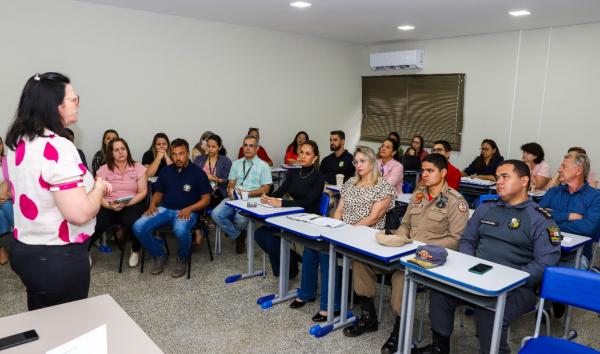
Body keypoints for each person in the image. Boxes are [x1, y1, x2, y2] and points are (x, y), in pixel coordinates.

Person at [415, 160, 561, 354]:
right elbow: (467, 240)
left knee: (489, 312)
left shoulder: (540, 218)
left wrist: (512, 278)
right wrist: (470, 263)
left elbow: (546, 262)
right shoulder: (487, 207)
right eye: (497, 177)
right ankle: (439, 347)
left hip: (517, 285)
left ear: (524, 181)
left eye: (505, 177)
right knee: (440, 293)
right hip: (477, 274)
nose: (498, 181)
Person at [5, 72, 110, 310]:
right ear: (55, 106)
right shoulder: (57, 146)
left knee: (43, 321)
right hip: (56, 256)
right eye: (74, 100)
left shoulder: (18, 142)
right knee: (67, 329)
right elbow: (80, 213)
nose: (78, 104)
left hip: (26, 249)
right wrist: (100, 188)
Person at [346, 154, 469, 353]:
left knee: (402, 276)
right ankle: (368, 316)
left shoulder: (455, 201)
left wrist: (420, 247)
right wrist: (400, 239)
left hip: (428, 258)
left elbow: (456, 239)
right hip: (403, 250)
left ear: (443, 173)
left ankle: (399, 329)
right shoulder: (418, 195)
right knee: (361, 260)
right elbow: (405, 225)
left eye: (430, 171)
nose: (425, 175)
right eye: (424, 170)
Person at [323, 146, 396, 335]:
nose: (358, 165)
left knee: (358, 259)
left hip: (367, 237)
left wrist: (348, 232)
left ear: (373, 162)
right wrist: (336, 228)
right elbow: (339, 210)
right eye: (356, 161)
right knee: (320, 249)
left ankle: (367, 313)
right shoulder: (349, 183)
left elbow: (373, 217)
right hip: (344, 233)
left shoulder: (383, 186)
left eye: (363, 160)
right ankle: (330, 305)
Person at [133, 139, 211, 278]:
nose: (177, 158)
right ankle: (160, 254)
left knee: (180, 230)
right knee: (138, 226)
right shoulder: (166, 171)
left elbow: (206, 199)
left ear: (188, 153)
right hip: (165, 209)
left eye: (181, 154)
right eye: (174, 154)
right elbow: (158, 193)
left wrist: (190, 208)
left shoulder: (198, 173)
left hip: (187, 210)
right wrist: (152, 204)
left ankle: (182, 257)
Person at [255, 140, 324, 280]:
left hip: (308, 217)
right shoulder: (293, 172)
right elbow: (279, 192)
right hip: (291, 215)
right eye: (301, 152)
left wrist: (282, 204)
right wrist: (267, 198)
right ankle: (292, 257)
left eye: (308, 154)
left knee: (271, 239)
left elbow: (308, 203)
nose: (303, 156)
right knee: (260, 234)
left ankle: (286, 271)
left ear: (315, 158)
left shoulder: (318, 177)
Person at [90, 138, 148, 267]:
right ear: (111, 153)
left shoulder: (138, 168)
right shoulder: (103, 169)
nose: (120, 152)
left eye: (123, 148)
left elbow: (143, 192)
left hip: (132, 203)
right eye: (116, 150)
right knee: (97, 223)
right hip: (109, 204)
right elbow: (97, 192)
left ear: (127, 150)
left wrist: (127, 203)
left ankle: (135, 250)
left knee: (133, 223)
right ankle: (85, 252)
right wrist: (108, 206)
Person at [539, 153, 600, 271]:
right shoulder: (553, 192)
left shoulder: (596, 197)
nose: (559, 169)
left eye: (564, 166)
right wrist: (568, 216)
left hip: (575, 256)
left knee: (564, 285)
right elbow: (537, 218)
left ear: (578, 170)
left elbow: (587, 228)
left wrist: (552, 219)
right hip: (543, 250)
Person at [212, 135, 272, 254]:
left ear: (257, 148)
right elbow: (231, 182)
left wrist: (248, 193)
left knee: (240, 220)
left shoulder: (263, 166)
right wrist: (230, 189)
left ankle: (236, 232)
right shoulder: (236, 164)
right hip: (235, 198)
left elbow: (266, 189)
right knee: (215, 214)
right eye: (245, 145)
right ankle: (238, 235)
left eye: (251, 146)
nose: (247, 148)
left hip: (253, 201)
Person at [193, 134, 232, 210]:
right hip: (198, 190)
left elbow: (228, 180)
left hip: (216, 192)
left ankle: (204, 216)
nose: (210, 149)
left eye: (213, 147)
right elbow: (192, 174)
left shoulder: (226, 161)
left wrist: (215, 179)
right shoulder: (199, 159)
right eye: (208, 146)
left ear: (219, 147)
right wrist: (204, 176)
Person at [0, 136, 14, 265]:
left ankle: (2, 248)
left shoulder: (7, 161)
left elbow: (17, 182)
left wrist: (9, 194)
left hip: (9, 197)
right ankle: (20, 237)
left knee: (4, 209)